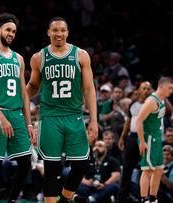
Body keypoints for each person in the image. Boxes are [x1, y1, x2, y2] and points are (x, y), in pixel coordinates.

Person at [26, 17, 98, 203]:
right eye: (55, 30)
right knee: (51, 168)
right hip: (50, 117)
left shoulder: (81, 55)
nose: (59, 34)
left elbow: (89, 89)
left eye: (63, 30)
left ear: (67, 32)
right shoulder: (38, 57)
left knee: (81, 165)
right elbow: (34, 85)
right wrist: (20, 97)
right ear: (48, 32)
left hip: (74, 116)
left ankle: (65, 199)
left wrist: (94, 120)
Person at [0, 13, 35, 203]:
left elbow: (24, 94)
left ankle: (11, 200)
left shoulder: (18, 58)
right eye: (8, 30)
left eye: (14, 31)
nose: (11, 33)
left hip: (16, 113)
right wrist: (1, 117)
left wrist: (29, 124)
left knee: (26, 162)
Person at [136, 77, 173, 203]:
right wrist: (142, 141)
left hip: (157, 138)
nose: (172, 90)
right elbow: (139, 121)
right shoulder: (152, 101)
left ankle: (153, 198)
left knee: (159, 170)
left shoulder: (162, 99)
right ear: (162, 87)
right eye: (170, 88)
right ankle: (144, 199)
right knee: (147, 170)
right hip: (149, 138)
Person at [117, 81, 152, 203]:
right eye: (144, 88)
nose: (146, 91)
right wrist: (122, 137)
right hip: (132, 137)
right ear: (139, 90)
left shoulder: (154, 104)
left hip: (147, 138)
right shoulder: (133, 104)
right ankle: (122, 198)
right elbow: (128, 121)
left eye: (148, 89)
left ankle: (144, 197)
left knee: (146, 169)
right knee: (127, 168)